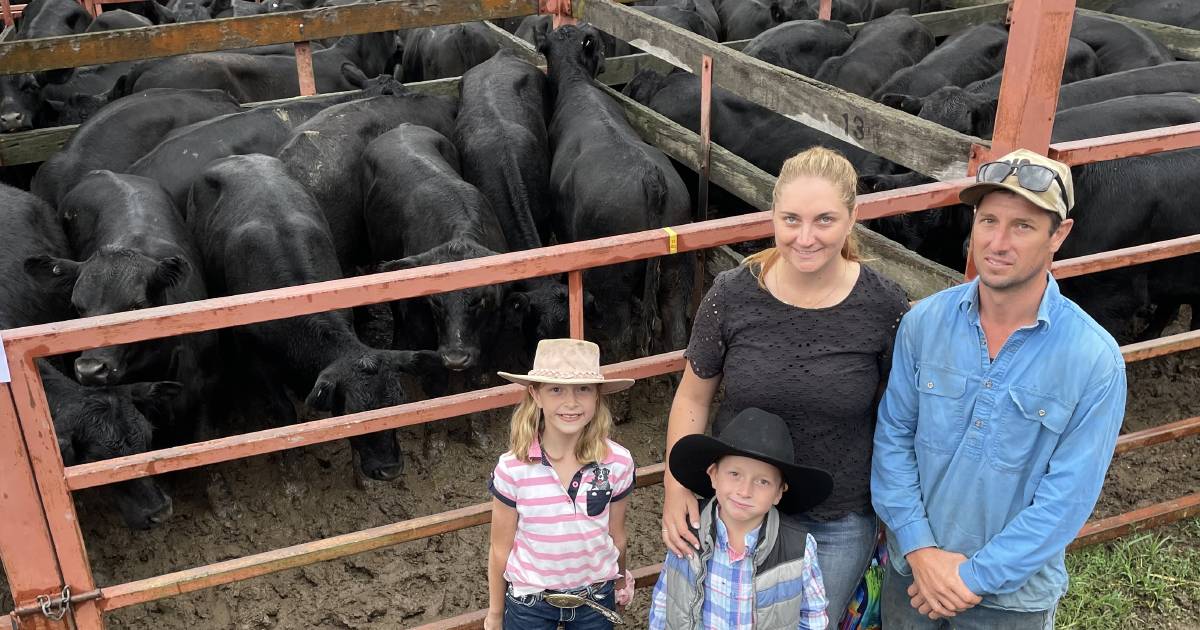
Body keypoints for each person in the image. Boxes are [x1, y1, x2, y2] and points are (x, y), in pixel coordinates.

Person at [872, 149, 1127, 628]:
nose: (998, 242)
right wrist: (921, 550)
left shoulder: (1093, 359)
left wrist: (974, 578)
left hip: (1011, 601)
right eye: (989, 220)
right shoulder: (924, 323)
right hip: (913, 577)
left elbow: (1066, 499)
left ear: (1060, 235)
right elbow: (892, 440)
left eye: (1023, 226)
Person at [661, 146, 911, 622]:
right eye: (791, 219)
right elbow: (693, 396)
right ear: (772, 215)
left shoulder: (883, 307)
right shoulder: (731, 295)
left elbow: (899, 416)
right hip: (739, 506)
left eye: (824, 220)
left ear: (853, 217)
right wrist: (678, 488)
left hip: (837, 517)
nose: (806, 237)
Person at [485, 338, 638, 630]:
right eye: (556, 390)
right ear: (536, 395)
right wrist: (495, 612)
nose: (571, 403)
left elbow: (617, 535)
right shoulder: (513, 467)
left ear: (597, 396)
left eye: (583, 389)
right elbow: (499, 548)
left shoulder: (618, 462)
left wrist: (619, 581)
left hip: (595, 597)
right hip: (530, 600)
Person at [648, 407, 834, 629]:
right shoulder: (688, 532)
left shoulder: (799, 548)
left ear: (778, 492)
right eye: (734, 474)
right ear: (714, 475)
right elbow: (666, 599)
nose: (745, 491)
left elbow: (813, 616)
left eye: (762, 481)